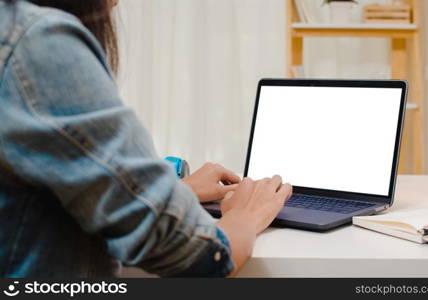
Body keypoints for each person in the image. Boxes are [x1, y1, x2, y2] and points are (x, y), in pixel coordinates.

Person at [0, 0, 292, 278]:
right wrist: (244, 217)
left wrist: (169, 193)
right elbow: (198, 259)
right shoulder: (37, 41)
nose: (117, 2)